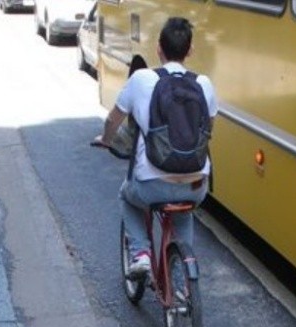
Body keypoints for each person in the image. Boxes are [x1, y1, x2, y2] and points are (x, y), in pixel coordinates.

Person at [93, 17, 218, 277]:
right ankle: (184, 266)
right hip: (196, 184)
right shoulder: (204, 83)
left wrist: (106, 140)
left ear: (159, 48)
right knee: (183, 209)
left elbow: (113, 119)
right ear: (190, 50)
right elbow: (209, 128)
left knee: (126, 197)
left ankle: (141, 253)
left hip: (151, 184)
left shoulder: (141, 79)